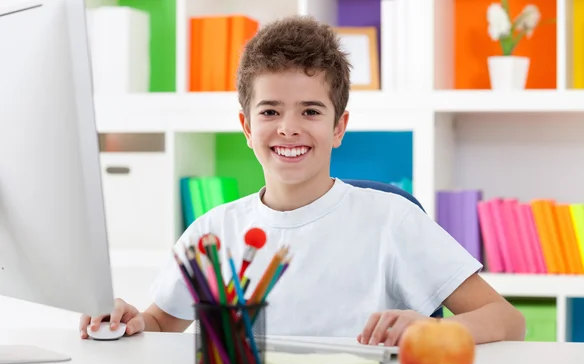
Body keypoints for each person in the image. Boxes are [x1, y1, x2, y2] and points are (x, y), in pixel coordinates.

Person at [80, 15, 525, 346]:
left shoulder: (391, 221)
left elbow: (505, 319)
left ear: (339, 126)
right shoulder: (213, 233)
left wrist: (431, 330)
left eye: (310, 111)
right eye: (270, 111)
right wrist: (125, 320)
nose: (288, 127)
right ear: (247, 127)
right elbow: (161, 322)